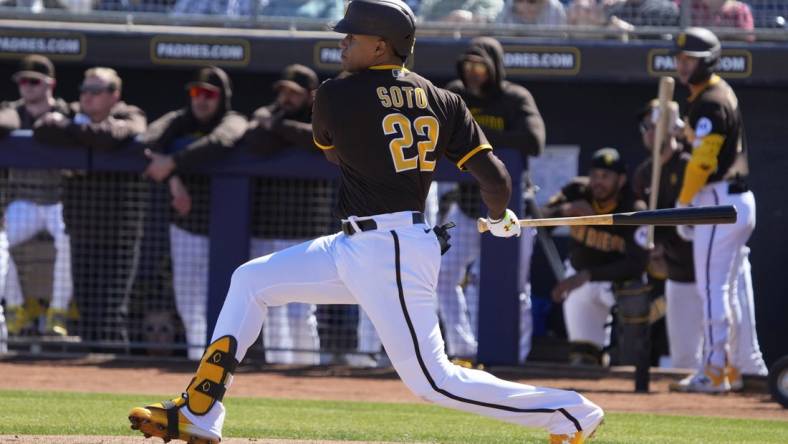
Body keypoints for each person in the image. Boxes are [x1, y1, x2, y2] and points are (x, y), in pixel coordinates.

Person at [128, 2, 604, 443]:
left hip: (389, 248)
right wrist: (500, 218)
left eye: (351, 37)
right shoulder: (444, 100)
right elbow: (495, 177)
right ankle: (199, 411)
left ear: (380, 44)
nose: (342, 43)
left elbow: (335, 155)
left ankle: (569, 413)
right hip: (362, 242)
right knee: (251, 279)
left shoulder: (335, 94)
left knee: (433, 381)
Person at [632, 99, 767, 389]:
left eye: (655, 125)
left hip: (716, 263)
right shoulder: (645, 172)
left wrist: (662, 231)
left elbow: (688, 212)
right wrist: (646, 231)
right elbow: (644, 210)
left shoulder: (688, 164)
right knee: (683, 358)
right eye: (645, 127)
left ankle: (749, 396)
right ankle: (700, 401)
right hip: (680, 271)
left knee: (745, 352)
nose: (650, 133)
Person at [439, 36, 545, 362]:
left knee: (515, 286)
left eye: (480, 66)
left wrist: (476, 140)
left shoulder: (513, 97)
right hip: (468, 205)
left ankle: (517, 355)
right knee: (444, 276)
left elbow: (534, 140)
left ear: (494, 67)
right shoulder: (454, 94)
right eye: (468, 65)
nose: (473, 72)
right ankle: (463, 349)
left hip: (510, 208)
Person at [669, 27, 763, 392]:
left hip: (717, 200)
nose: (681, 66)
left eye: (688, 59)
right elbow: (704, 141)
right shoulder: (712, 93)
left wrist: (683, 204)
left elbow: (703, 162)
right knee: (727, 286)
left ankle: (713, 370)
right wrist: (683, 131)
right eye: (679, 59)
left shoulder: (710, 100)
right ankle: (732, 368)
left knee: (711, 288)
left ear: (706, 61)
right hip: (733, 198)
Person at [33, 66, 147, 344]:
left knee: (111, 311)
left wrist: (71, 129)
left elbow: (111, 137)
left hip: (119, 235)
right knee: (86, 308)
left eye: (96, 91)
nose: (87, 97)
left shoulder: (130, 114)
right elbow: (41, 130)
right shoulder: (72, 111)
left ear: (114, 95)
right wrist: (80, 129)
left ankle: (117, 372)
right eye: (85, 90)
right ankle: (90, 374)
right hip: (81, 231)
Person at [142, 66, 248, 360]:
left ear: (221, 97)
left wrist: (173, 163)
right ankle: (194, 361)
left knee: (230, 305)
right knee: (188, 303)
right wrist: (173, 180)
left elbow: (221, 141)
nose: (201, 100)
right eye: (195, 93)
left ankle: (226, 365)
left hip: (227, 233)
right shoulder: (181, 120)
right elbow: (147, 139)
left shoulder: (233, 119)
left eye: (209, 94)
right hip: (187, 227)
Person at [243, 64, 328, 365]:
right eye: (283, 91)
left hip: (305, 228)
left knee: (301, 307)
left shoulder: (320, 116)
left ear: (309, 95)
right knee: (272, 305)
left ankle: (306, 366)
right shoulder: (269, 112)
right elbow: (252, 141)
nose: (286, 98)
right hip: (266, 226)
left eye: (294, 93)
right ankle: (278, 366)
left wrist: (278, 129)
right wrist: (277, 127)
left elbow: (318, 141)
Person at [544, 148, 649, 367]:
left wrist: (588, 275)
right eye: (594, 175)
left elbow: (637, 264)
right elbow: (536, 220)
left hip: (615, 282)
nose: (597, 182)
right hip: (579, 280)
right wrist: (566, 209)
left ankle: (630, 362)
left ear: (620, 180)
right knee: (583, 357)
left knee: (635, 295)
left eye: (605, 177)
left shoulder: (633, 206)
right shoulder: (578, 191)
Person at [0, 55, 73, 336]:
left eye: (33, 82)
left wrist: (61, 123)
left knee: (68, 238)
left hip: (58, 202)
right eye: (22, 81)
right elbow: (5, 119)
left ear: (49, 84)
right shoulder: (13, 111)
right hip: (25, 202)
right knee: (2, 241)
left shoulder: (65, 112)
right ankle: (17, 310)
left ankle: (58, 312)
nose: (26, 87)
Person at [418, 0, 504, 22]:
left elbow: (495, 25)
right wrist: (446, 21)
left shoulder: (493, 2)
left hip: (477, 53)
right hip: (438, 48)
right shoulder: (433, 2)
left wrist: (474, 19)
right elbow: (420, 24)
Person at [497, 0, 567, 26]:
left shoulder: (555, 8)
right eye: (519, 1)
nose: (525, 6)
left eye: (532, 1)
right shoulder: (508, 6)